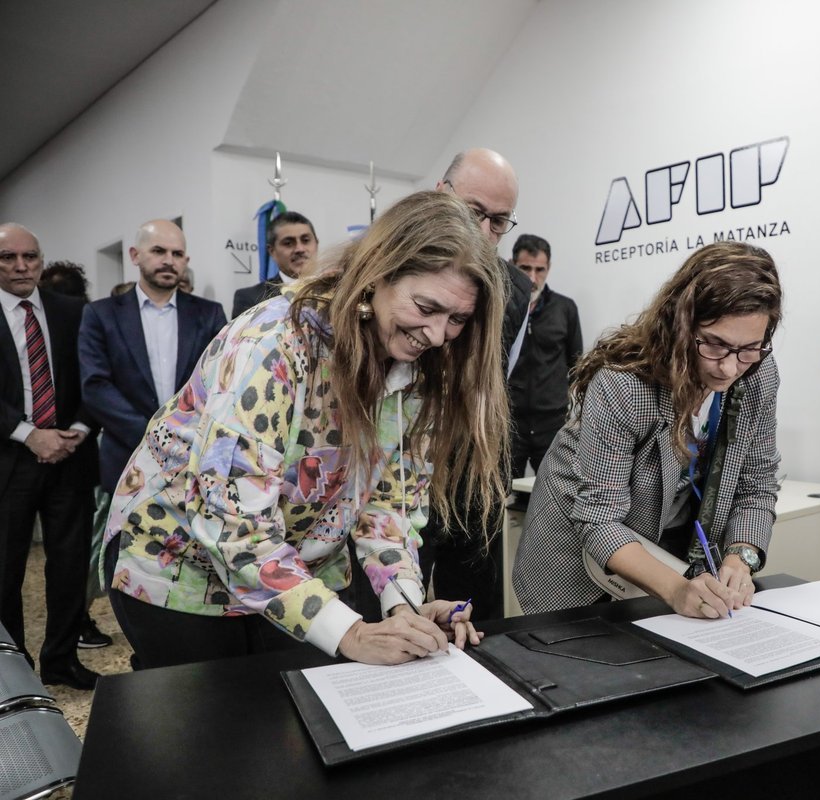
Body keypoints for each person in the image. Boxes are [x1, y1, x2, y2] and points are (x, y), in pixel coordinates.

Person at [103, 191, 505, 668]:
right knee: (215, 710)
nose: (436, 335)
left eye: (456, 319)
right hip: (180, 564)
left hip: (298, 568)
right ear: (378, 273)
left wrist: (405, 607)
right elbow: (234, 524)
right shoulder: (272, 344)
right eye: (425, 307)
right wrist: (351, 633)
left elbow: (389, 505)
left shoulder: (418, 369)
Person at [513, 241, 781, 616]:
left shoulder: (758, 375)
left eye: (748, 349)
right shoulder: (624, 385)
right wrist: (676, 590)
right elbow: (599, 518)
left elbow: (757, 484)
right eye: (715, 345)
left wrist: (740, 557)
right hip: (575, 550)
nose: (729, 368)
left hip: (663, 538)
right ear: (682, 324)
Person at [416, 148, 533, 621]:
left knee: (474, 615)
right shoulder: (396, 268)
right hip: (402, 469)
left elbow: (502, 378)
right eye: (473, 212)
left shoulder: (516, 289)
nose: (483, 232)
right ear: (440, 194)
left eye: (499, 221)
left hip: (475, 469)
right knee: (393, 607)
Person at [0, 223, 101, 689]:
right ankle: (14, 672)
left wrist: (77, 430)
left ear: (41, 260)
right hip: (9, 460)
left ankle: (61, 661)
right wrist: (29, 435)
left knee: (70, 565)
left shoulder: (73, 312)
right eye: (8, 258)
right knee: (6, 571)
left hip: (70, 456)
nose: (21, 267)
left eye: (30, 257)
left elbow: (96, 375)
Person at [79, 219, 227, 502]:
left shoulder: (209, 314)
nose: (169, 261)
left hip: (193, 457)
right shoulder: (100, 314)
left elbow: (220, 380)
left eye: (177, 254)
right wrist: (155, 435)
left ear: (186, 261)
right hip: (128, 457)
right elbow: (95, 386)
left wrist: (184, 435)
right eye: (159, 251)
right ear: (135, 255)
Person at [35, 260, 112, 650]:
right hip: (31, 452)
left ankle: (66, 643)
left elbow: (95, 382)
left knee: (71, 554)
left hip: (78, 453)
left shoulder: (85, 321)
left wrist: (78, 430)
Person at [507, 233, 583, 479]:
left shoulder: (565, 308)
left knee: (554, 490)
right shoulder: (500, 308)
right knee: (503, 489)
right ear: (512, 265)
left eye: (539, 270)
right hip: (509, 421)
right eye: (525, 268)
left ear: (548, 268)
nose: (532, 278)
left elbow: (577, 365)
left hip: (552, 422)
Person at [232, 211, 320, 318]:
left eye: (305, 240)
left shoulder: (335, 290)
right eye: (288, 243)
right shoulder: (251, 298)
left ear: (316, 244)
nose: (299, 249)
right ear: (272, 251)